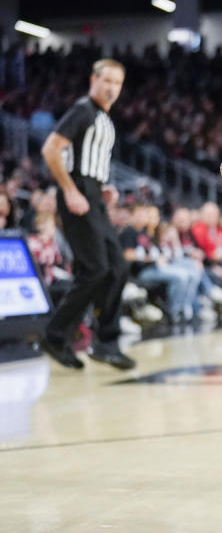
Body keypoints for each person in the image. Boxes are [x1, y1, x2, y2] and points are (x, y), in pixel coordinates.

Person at [38, 58, 135, 370]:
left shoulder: (104, 118)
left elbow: (88, 159)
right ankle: (56, 337)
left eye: (117, 83)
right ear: (93, 80)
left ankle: (105, 342)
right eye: (106, 81)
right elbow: (51, 149)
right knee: (94, 270)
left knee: (117, 268)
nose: (111, 88)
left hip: (92, 194)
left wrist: (103, 187)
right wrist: (70, 190)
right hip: (77, 194)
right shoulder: (82, 110)